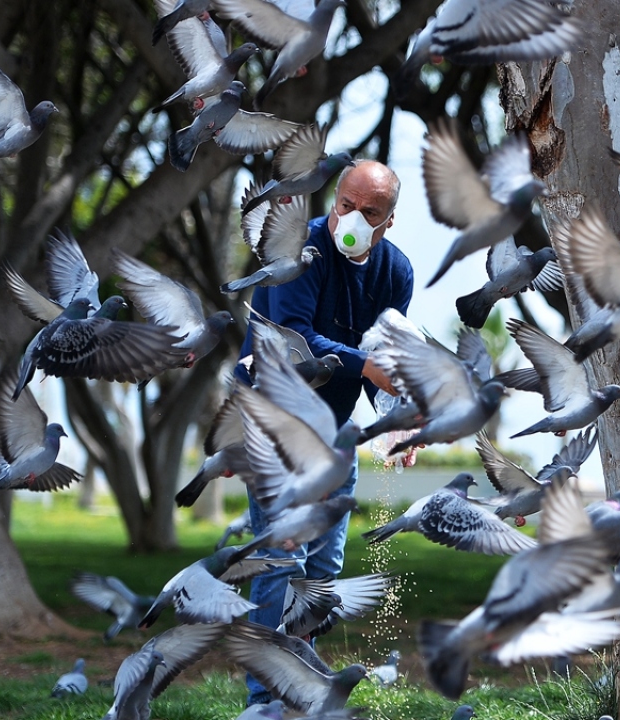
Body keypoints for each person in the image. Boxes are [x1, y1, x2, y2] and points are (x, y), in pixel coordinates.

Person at [232, 159, 412, 706]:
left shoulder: (396, 273)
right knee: (282, 558)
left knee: (325, 566)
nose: (352, 218)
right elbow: (299, 340)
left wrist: (394, 425)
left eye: (369, 212)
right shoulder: (300, 253)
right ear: (333, 201)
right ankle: (264, 698)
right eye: (345, 206)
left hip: (332, 428)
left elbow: (385, 364)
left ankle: (299, 686)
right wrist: (369, 369)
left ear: (389, 221)